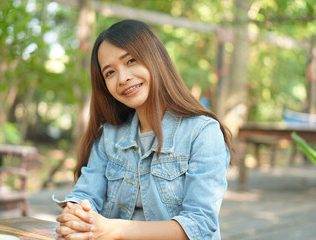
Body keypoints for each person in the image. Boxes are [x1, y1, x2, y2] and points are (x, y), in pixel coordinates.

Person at [54, 19, 233, 240]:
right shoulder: (109, 136)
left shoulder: (203, 133)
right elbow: (86, 194)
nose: (123, 78)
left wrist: (115, 230)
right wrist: (75, 213)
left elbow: (199, 224)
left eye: (130, 60)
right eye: (110, 73)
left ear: (155, 59)